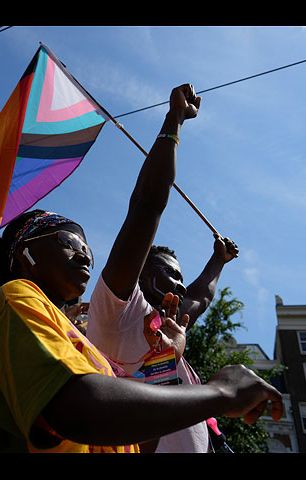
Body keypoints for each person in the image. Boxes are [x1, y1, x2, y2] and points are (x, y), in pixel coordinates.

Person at [0, 85, 283, 453]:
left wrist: (163, 362)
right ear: (23, 254)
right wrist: (221, 393)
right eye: (68, 243)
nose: (85, 256)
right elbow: (77, 410)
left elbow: (134, 438)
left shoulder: (82, 343)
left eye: (87, 248)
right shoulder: (17, 298)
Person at [85, 84, 239, 453]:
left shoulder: (167, 325)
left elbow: (200, 297)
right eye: (169, 273)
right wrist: (174, 121)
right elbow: (147, 204)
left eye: (179, 278)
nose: (179, 286)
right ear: (139, 273)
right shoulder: (118, 313)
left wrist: (219, 260)